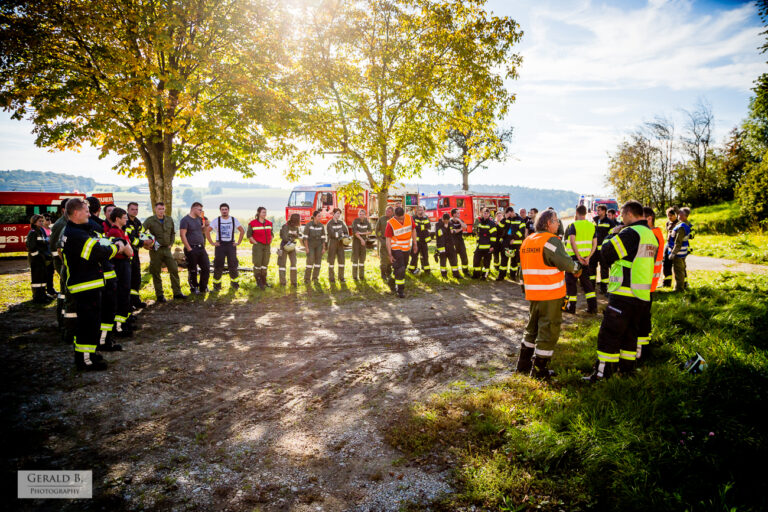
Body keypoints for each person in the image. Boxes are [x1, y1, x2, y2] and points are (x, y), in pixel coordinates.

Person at [586, 200, 657, 381]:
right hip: (641, 295)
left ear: (629, 214)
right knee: (630, 335)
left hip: (624, 292)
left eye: (622, 216)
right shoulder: (650, 235)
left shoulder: (631, 233)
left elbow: (607, 252)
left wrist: (612, 234)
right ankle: (626, 371)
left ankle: (602, 374)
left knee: (609, 334)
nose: (621, 219)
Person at [60, 198, 129, 371]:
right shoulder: (76, 235)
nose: (89, 214)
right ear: (76, 213)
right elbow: (99, 252)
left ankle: (89, 354)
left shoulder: (78, 231)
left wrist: (110, 244)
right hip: (85, 286)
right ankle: (85, 360)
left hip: (88, 285)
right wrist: (118, 247)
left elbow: (99, 243)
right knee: (87, 325)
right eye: (86, 211)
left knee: (91, 323)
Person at [516, 209, 582, 379]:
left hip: (533, 294)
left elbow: (521, 272)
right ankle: (539, 371)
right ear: (547, 223)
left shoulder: (528, 241)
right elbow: (566, 263)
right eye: (555, 220)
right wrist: (577, 268)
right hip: (550, 294)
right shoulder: (551, 241)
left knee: (532, 328)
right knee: (548, 330)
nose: (558, 223)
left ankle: (523, 365)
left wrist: (526, 289)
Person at [87, 197, 119, 350]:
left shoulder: (90, 226)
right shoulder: (95, 226)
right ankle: (103, 342)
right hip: (102, 276)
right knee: (105, 311)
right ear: (100, 210)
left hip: (102, 275)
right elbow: (101, 251)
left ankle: (104, 340)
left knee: (103, 311)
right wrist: (117, 247)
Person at [636, 206, 665, 361]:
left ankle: (642, 351)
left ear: (649, 218)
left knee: (643, 317)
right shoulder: (656, 233)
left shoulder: (653, 235)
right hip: (648, 282)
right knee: (644, 317)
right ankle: (643, 347)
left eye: (643, 218)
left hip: (647, 282)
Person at [144, 202, 186, 302]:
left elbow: (172, 233)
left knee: (174, 269)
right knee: (156, 272)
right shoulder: (150, 220)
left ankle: (177, 293)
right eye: (159, 209)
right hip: (155, 250)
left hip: (167, 249)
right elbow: (141, 231)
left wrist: (171, 243)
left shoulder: (169, 219)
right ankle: (160, 295)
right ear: (155, 209)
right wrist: (146, 244)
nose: (161, 211)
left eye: (163, 209)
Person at [105, 207, 135, 337]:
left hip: (123, 264)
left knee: (125, 294)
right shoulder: (115, 232)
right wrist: (128, 250)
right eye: (124, 217)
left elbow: (129, 250)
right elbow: (129, 252)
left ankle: (123, 323)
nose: (127, 219)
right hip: (120, 265)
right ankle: (119, 327)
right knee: (121, 295)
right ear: (117, 219)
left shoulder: (120, 231)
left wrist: (128, 250)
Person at [564, 205, 598, 314]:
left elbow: (572, 241)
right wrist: (588, 257)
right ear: (585, 213)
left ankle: (571, 307)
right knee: (587, 283)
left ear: (577, 213)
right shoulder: (592, 226)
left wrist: (578, 256)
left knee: (571, 283)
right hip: (586, 259)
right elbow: (595, 244)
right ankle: (593, 308)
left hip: (573, 258)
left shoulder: (573, 225)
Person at [206, 203, 244, 291]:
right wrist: (212, 242)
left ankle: (235, 285)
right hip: (220, 246)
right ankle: (217, 286)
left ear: (228, 210)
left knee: (233, 265)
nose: (224, 211)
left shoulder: (234, 219)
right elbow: (208, 231)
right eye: (222, 209)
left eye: (225, 209)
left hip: (231, 245)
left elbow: (242, 231)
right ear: (220, 211)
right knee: (218, 266)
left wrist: (238, 242)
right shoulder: (216, 220)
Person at [386, 206, 418, 298]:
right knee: (401, 268)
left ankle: (391, 280)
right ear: (394, 215)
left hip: (406, 247)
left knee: (403, 266)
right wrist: (390, 254)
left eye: (402, 217)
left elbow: (413, 230)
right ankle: (400, 290)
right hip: (396, 247)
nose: (401, 220)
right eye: (399, 218)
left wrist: (415, 244)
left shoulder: (409, 218)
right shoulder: (390, 223)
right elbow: (388, 240)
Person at [179, 202, 210, 295]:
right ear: (193, 209)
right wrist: (189, 248)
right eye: (199, 210)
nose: (201, 212)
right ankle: (194, 288)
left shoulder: (200, 219)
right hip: (191, 248)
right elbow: (182, 235)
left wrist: (206, 226)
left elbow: (202, 232)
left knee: (206, 267)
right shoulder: (185, 220)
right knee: (193, 269)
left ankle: (203, 287)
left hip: (201, 247)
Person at [125, 202, 151, 309]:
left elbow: (142, 234)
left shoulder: (137, 222)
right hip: (127, 254)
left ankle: (136, 300)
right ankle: (128, 303)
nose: (135, 211)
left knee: (136, 277)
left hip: (135, 253)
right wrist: (143, 243)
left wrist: (150, 239)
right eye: (132, 209)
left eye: (136, 209)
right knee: (128, 278)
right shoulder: (125, 222)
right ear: (127, 209)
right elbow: (130, 239)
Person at [49, 199, 71, 329]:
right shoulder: (60, 224)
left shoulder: (68, 222)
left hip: (65, 264)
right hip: (62, 264)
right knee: (63, 293)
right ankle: (61, 321)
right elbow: (55, 249)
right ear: (64, 210)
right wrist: (63, 265)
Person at [26, 214, 54, 303]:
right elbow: (31, 247)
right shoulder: (33, 232)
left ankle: (43, 295)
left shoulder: (40, 231)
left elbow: (42, 244)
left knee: (43, 278)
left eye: (42, 221)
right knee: (37, 280)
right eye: (40, 221)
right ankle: (38, 297)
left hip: (41, 260)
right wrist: (39, 256)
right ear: (34, 222)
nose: (42, 222)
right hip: (36, 260)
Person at [590, 204, 616, 294]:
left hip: (604, 250)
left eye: (599, 210)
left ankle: (604, 288)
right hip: (593, 250)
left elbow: (613, 236)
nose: (598, 212)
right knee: (592, 267)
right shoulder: (594, 220)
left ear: (604, 211)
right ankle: (591, 286)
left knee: (604, 269)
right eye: (597, 210)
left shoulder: (609, 222)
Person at [247, 206, 273, 290]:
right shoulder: (252, 223)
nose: (265, 214)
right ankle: (259, 282)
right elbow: (249, 235)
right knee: (257, 264)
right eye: (263, 212)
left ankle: (264, 281)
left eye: (265, 212)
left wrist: (270, 240)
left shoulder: (269, 223)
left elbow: (271, 234)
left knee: (265, 264)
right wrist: (255, 243)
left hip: (267, 245)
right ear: (258, 213)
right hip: (258, 245)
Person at [497, 207, 524, 281]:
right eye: (507, 214)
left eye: (509, 214)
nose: (509, 216)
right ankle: (501, 276)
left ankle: (513, 275)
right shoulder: (507, 219)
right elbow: (499, 228)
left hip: (515, 243)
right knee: (504, 260)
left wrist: (514, 238)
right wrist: (504, 219)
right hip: (506, 243)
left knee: (514, 261)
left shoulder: (520, 220)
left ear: (512, 212)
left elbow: (521, 231)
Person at [669, 207, 692, 292]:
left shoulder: (682, 227)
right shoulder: (685, 223)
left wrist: (673, 253)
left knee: (678, 271)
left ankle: (679, 289)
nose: (678, 214)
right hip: (683, 252)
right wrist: (677, 209)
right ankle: (682, 287)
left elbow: (678, 242)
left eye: (680, 214)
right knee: (682, 269)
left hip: (679, 253)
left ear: (684, 216)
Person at [472, 207, 497, 279]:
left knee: (486, 263)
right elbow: (477, 232)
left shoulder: (492, 224)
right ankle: (476, 275)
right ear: (482, 214)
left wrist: (492, 246)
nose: (485, 214)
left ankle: (484, 276)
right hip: (480, 246)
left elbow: (493, 236)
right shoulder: (480, 222)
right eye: (484, 213)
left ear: (489, 214)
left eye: (487, 213)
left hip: (488, 246)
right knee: (476, 260)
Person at [325, 208, 349, 283]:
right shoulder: (329, 223)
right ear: (333, 214)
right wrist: (339, 233)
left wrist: (343, 235)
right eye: (337, 213)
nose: (338, 215)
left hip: (340, 243)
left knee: (342, 260)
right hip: (332, 243)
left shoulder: (341, 223)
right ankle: (331, 277)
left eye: (339, 214)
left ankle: (341, 277)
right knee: (331, 261)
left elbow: (346, 232)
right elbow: (332, 234)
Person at [277, 213, 302, 286]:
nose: (300, 220)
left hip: (292, 247)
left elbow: (297, 235)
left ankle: (294, 282)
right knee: (282, 264)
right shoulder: (285, 226)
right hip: (284, 247)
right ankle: (282, 282)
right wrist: (292, 238)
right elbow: (284, 237)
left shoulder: (296, 227)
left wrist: (297, 236)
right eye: (299, 219)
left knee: (294, 263)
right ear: (296, 219)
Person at [303, 210, 327, 284]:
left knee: (318, 262)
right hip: (310, 245)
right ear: (314, 217)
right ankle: (307, 279)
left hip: (319, 245)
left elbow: (323, 238)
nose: (320, 217)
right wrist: (306, 248)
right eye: (319, 216)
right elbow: (305, 238)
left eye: (321, 216)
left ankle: (315, 278)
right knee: (310, 261)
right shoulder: (308, 225)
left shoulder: (321, 226)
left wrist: (323, 248)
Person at [434, 213, 461, 278]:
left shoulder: (450, 223)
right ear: (442, 219)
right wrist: (444, 228)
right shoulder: (438, 224)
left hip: (450, 245)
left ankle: (456, 274)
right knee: (443, 261)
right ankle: (444, 275)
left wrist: (453, 231)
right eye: (445, 220)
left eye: (447, 220)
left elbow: (454, 230)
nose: (446, 222)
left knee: (454, 260)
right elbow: (439, 233)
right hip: (442, 246)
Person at [408, 205, 432, 275]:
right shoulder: (413, 218)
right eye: (419, 210)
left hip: (424, 240)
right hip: (416, 241)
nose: (421, 211)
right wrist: (423, 226)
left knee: (425, 255)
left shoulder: (425, 217)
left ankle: (426, 270)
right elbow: (415, 227)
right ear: (416, 211)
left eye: (422, 210)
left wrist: (421, 225)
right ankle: (412, 269)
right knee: (414, 255)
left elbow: (428, 226)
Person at [376, 206, 395, 289]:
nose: (387, 212)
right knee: (383, 258)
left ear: (392, 212)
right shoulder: (381, 219)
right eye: (386, 210)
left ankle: (389, 273)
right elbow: (377, 231)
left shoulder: (395, 219)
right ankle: (383, 274)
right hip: (384, 242)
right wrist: (381, 240)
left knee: (390, 258)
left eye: (389, 211)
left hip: (393, 242)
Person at [351, 209, 373, 281]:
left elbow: (370, 231)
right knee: (355, 258)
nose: (361, 216)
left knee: (362, 258)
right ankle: (354, 276)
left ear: (365, 215)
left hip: (363, 241)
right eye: (360, 214)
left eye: (363, 214)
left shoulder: (367, 222)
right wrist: (362, 239)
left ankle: (361, 276)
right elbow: (355, 233)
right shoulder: (355, 221)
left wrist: (362, 234)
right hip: (356, 242)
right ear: (358, 215)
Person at [661, 207, 678, 288]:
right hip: (668, 244)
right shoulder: (668, 223)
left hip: (676, 245)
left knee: (677, 264)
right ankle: (666, 283)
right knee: (665, 263)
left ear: (675, 215)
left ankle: (683, 283)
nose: (670, 217)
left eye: (671, 215)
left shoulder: (679, 223)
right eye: (668, 216)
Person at [449, 209, 469, 276]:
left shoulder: (460, 221)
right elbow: (453, 232)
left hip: (460, 241)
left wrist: (459, 221)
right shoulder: (450, 222)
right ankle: (456, 273)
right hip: (453, 242)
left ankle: (465, 271)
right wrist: (460, 229)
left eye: (459, 213)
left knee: (464, 257)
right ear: (454, 214)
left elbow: (465, 227)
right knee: (454, 258)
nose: (459, 215)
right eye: (458, 213)